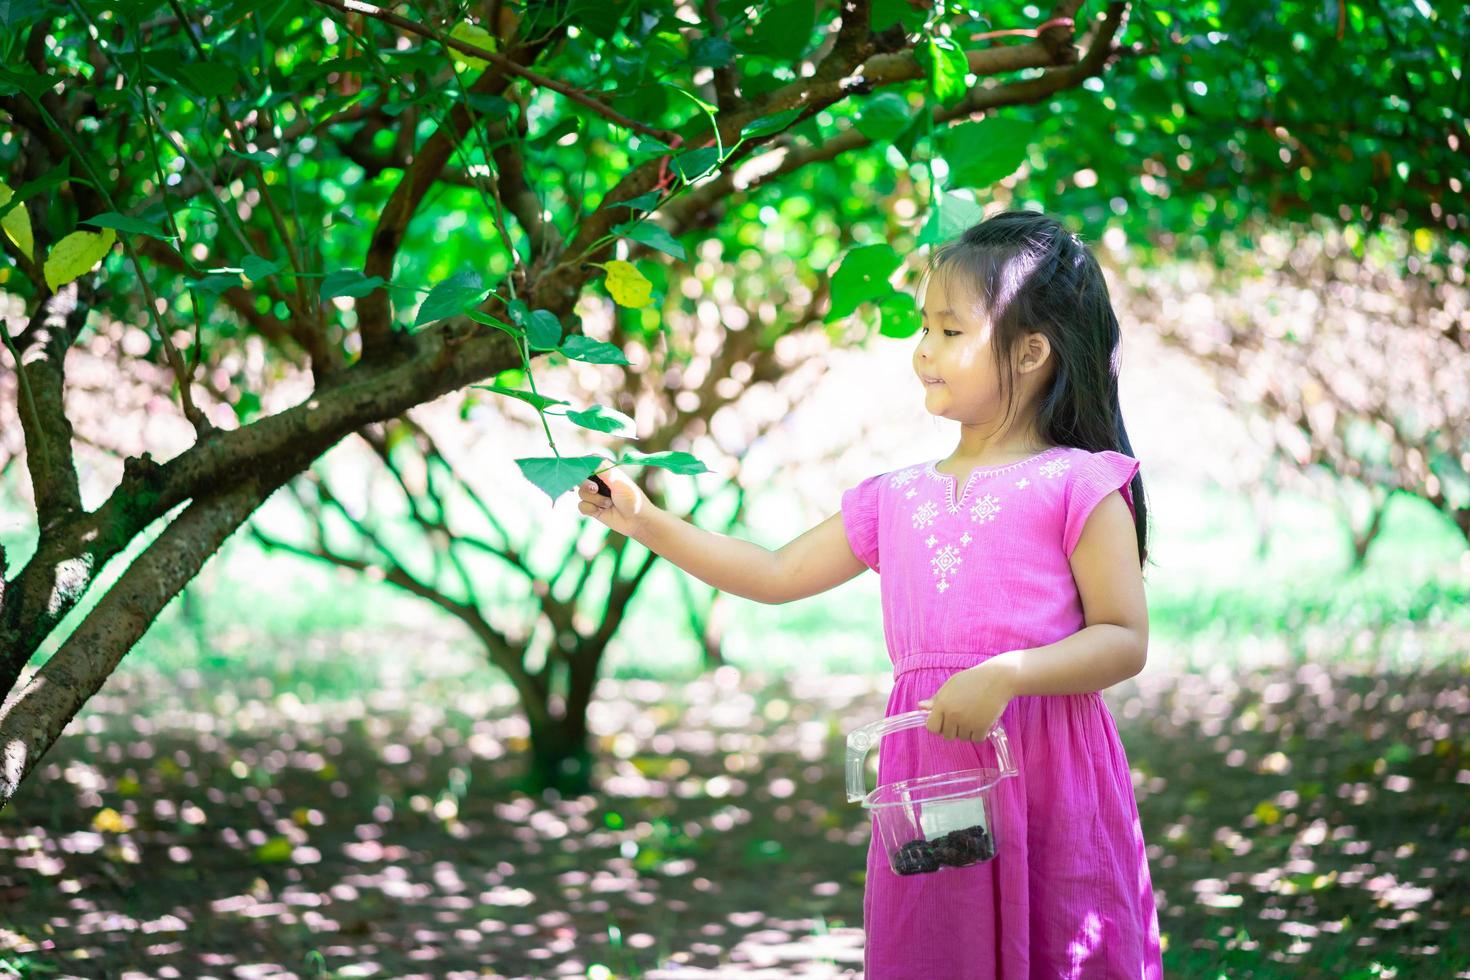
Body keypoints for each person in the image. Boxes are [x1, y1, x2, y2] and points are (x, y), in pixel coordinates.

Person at [576, 209, 1163, 978]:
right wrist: (644, 519)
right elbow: (774, 573)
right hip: (932, 768)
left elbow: (1124, 638)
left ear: (1031, 350)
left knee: (1062, 942)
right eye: (924, 329)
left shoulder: (1082, 484)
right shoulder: (897, 498)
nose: (923, 352)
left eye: (950, 332)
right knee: (937, 949)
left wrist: (1010, 674)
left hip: (1049, 771)